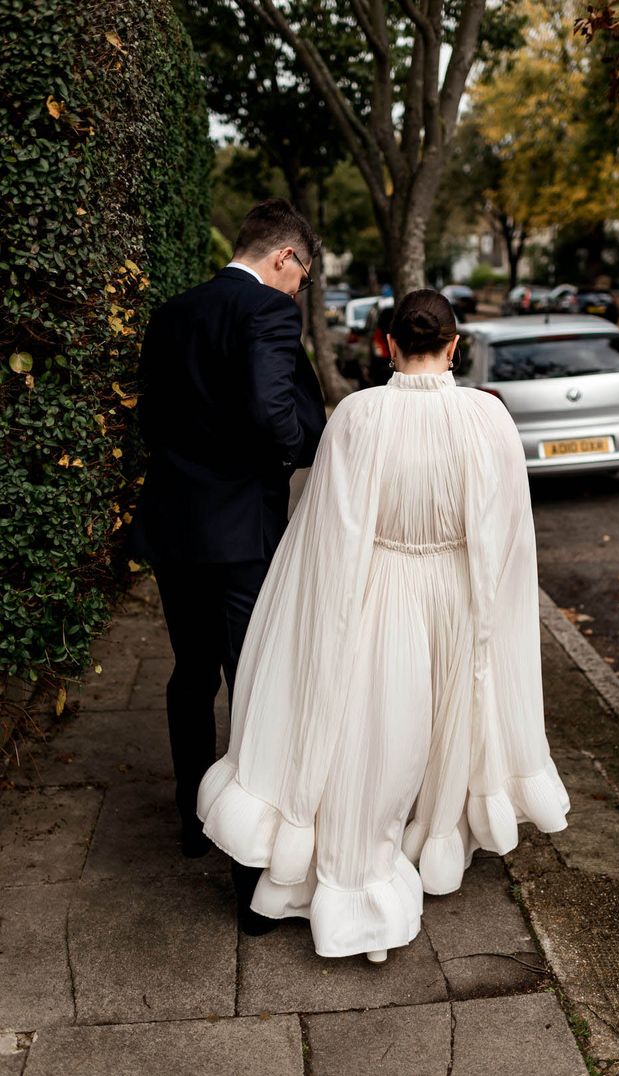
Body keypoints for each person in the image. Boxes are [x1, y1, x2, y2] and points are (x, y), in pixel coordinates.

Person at [198, 289, 570, 964]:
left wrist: (319, 623)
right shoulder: (490, 420)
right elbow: (511, 535)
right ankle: (426, 846)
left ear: (388, 345)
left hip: (381, 588)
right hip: (462, 591)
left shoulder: (359, 416)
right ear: (454, 347)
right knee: (442, 724)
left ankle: (358, 859)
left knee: (376, 730)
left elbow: (328, 530)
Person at [126, 200, 327, 909]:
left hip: (176, 524)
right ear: (284, 259)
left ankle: (190, 817)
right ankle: (245, 864)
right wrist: (294, 453)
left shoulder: (172, 311)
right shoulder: (268, 313)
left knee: (190, 671)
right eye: (301, 277)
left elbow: (150, 416)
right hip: (242, 529)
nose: (298, 291)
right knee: (252, 681)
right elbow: (276, 413)